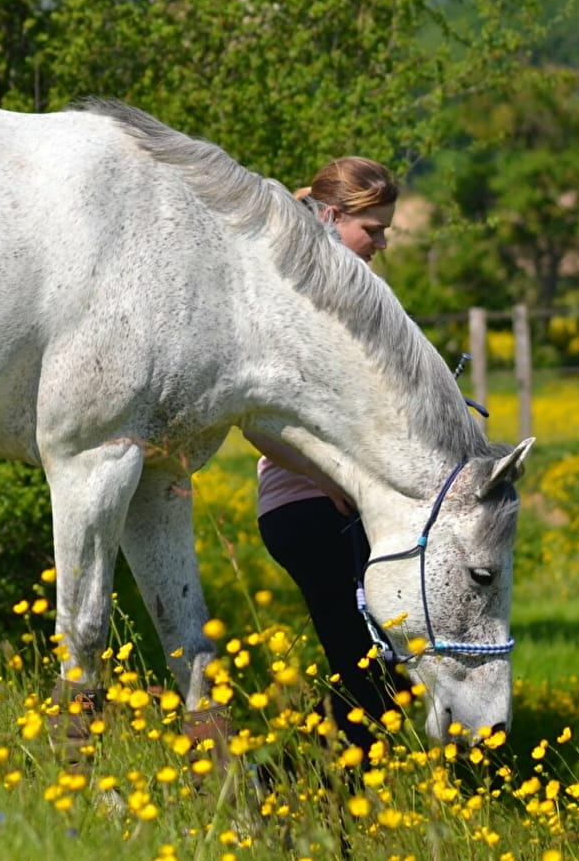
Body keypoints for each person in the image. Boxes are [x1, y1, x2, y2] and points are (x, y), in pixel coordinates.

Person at [243, 156, 407, 751]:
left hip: (353, 509)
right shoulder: (288, 299)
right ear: (334, 216)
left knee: (385, 672)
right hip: (310, 511)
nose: (381, 244)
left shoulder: (362, 292)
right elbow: (256, 422)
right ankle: (319, 803)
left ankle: (290, 786)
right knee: (372, 672)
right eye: (375, 230)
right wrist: (329, 478)